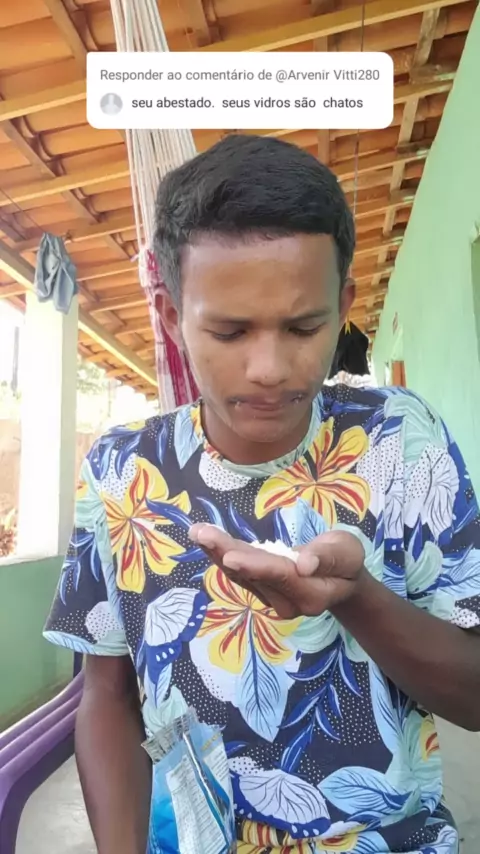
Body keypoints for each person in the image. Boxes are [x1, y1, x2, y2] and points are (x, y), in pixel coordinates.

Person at [44, 134, 480, 854]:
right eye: (230, 331)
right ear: (171, 315)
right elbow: (106, 696)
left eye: (304, 326)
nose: (270, 367)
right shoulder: (123, 471)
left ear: (343, 306)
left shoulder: (400, 442)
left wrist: (356, 597)